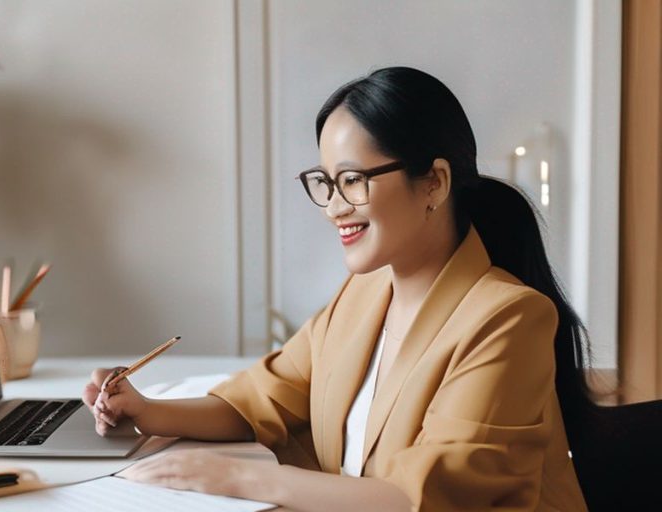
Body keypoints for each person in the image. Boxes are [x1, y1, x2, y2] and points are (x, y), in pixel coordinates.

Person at [82, 66, 591, 511]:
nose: (334, 208)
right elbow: (269, 395)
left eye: (353, 181)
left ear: (434, 182)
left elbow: (424, 496)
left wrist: (241, 478)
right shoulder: (365, 291)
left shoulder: (510, 318)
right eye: (326, 183)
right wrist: (146, 410)